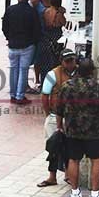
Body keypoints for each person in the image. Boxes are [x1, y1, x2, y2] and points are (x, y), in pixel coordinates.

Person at [55, 58, 99, 197]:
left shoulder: (66, 87)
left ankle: (75, 193)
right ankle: (95, 196)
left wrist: (60, 126)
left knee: (73, 160)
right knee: (97, 160)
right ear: (93, 71)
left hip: (73, 131)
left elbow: (59, 110)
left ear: (77, 70)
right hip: (96, 132)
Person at [37, 49, 78, 187]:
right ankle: (52, 176)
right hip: (55, 117)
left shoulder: (79, 73)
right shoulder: (52, 74)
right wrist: (48, 113)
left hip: (73, 118)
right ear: (62, 62)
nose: (71, 63)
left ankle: (67, 174)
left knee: (70, 147)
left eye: (72, 60)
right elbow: (44, 95)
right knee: (53, 147)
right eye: (67, 61)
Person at [2, 0, 40, 105]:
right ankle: (19, 96)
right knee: (23, 70)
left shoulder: (10, 10)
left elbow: (4, 27)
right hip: (27, 45)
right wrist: (33, 41)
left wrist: (9, 37)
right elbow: (36, 29)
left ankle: (13, 94)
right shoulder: (32, 11)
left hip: (13, 44)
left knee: (13, 69)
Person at [36, 0, 66, 83]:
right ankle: (53, 83)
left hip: (45, 40)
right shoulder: (58, 14)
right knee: (54, 63)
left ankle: (44, 83)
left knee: (45, 64)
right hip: (56, 41)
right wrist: (63, 13)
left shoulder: (45, 11)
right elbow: (65, 24)